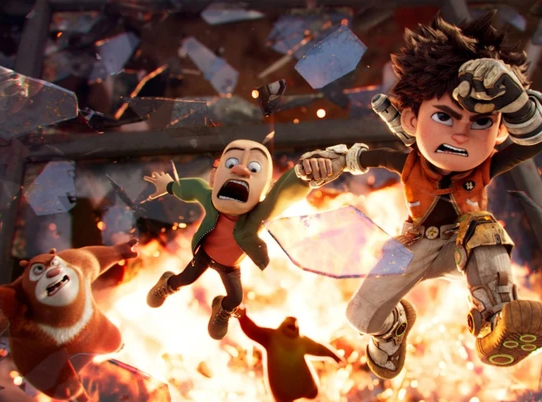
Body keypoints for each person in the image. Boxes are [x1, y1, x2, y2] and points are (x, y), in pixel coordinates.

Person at [297, 12, 542, 379]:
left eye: (480, 123)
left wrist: (514, 99)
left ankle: (495, 320)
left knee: (484, 230)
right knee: (360, 317)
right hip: (414, 245)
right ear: (412, 119)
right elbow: (360, 158)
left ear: (500, 131)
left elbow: (534, 140)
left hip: (467, 247)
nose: (461, 134)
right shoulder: (409, 162)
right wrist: (329, 163)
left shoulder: (485, 166)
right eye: (445, 117)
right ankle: (392, 328)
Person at [143, 139, 311, 340]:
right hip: (204, 254)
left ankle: (221, 309)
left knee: (236, 298)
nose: (240, 170)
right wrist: (169, 186)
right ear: (214, 177)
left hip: (230, 266)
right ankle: (168, 284)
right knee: (186, 278)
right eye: (231, 163)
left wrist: (304, 176)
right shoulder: (211, 201)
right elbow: (196, 188)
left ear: (265, 190)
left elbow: (281, 194)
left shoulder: (256, 216)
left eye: (254, 168)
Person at [237, 307, 345, 401]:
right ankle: (311, 393)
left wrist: (242, 317)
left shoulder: (275, 337)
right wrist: (334, 356)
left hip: (290, 391)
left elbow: (252, 331)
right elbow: (253, 331)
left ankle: (311, 393)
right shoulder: (285, 338)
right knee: (310, 393)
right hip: (299, 389)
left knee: (308, 394)